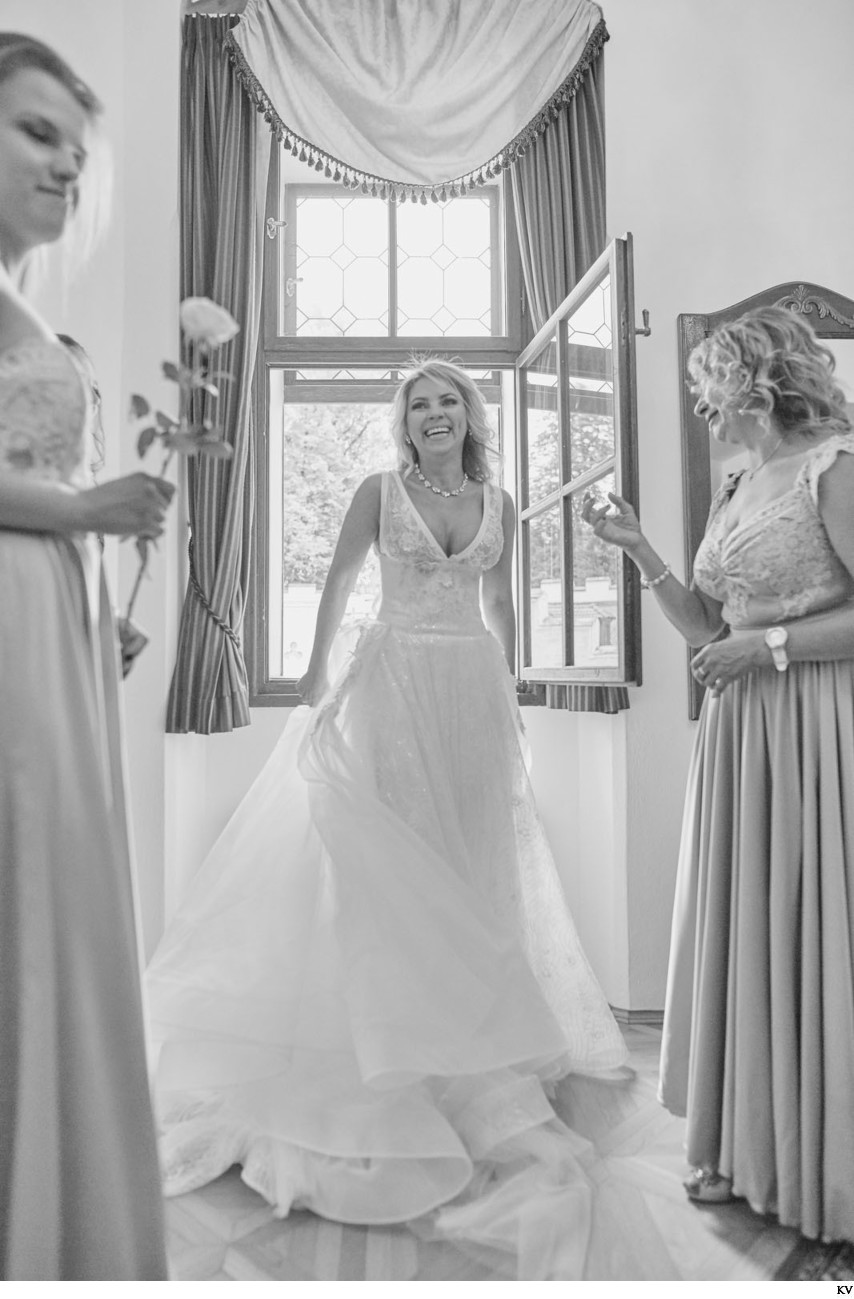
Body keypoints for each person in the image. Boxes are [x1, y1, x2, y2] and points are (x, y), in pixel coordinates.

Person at [145, 359, 635, 1281]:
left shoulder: (497, 497)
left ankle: (469, 1041)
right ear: (403, 422)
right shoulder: (379, 491)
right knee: (393, 872)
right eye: (421, 404)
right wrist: (318, 678)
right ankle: (394, 1054)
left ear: (469, 413)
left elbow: (499, 604)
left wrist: (516, 690)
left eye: (449, 401)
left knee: (472, 862)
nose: (436, 414)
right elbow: (335, 584)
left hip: (472, 693)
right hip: (394, 685)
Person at [582, 305, 854, 1243]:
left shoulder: (836, 466)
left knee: (812, 933)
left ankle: (828, 1169)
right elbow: (707, 626)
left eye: (707, 382)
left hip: (818, 728)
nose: (698, 401)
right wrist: (639, 547)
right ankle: (746, 1149)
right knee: (749, 931)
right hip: (740, 739)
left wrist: (766, 649)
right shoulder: (736, 484)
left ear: (753, 380)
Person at [0, 33, 174, 1280]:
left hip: (45, 637)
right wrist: (87, 517)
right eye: (35, 131)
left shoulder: (25, 311)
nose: (68, 164)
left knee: (46, 902)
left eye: (76, 141)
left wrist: (91, 596)